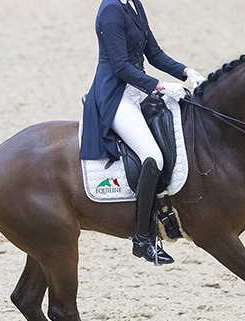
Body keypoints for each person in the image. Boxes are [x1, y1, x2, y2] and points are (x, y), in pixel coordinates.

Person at [80, 0, 206, 265]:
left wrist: (186, 72)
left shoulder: (134, 4)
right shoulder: (111, 10)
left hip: (137, 89)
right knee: (153, 156)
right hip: (115, 95)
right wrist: (161, 87)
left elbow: (154, 53)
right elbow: (121, 66)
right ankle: (143, 238)